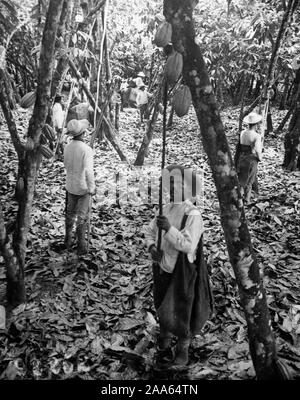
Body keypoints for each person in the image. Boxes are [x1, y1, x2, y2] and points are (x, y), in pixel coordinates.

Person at [144, 165, 214, 370]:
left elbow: (188, 245)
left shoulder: (192, 214)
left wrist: (168, 229)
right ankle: (164, 338)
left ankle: (183, 348)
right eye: (171, 184)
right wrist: (151, 247)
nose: (173, 189)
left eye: (178, 185)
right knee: (162, 303)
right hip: (162, 268)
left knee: (182, 309)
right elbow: (149, 231)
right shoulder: (164, 209)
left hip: (182, 272)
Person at [64, 119, 96, 255]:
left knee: (70, 213)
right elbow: (89, 170)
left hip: (70, 185)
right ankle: (81, 245)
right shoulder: (86, 149)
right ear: (83, 133)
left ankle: (68, 240)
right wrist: (92, 187)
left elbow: (66, 165)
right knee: (82, 217)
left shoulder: (67, 147)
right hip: (83, 188)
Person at [236, 112, 263, 204]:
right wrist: (260, 158)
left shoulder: (243, 132)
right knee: (249, 180)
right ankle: (247, 200)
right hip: (251, 159)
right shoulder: (256, 136)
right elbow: (258, 150)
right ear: (256, 124)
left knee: (241, 178)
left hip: (241, 158)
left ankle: (239, 197)